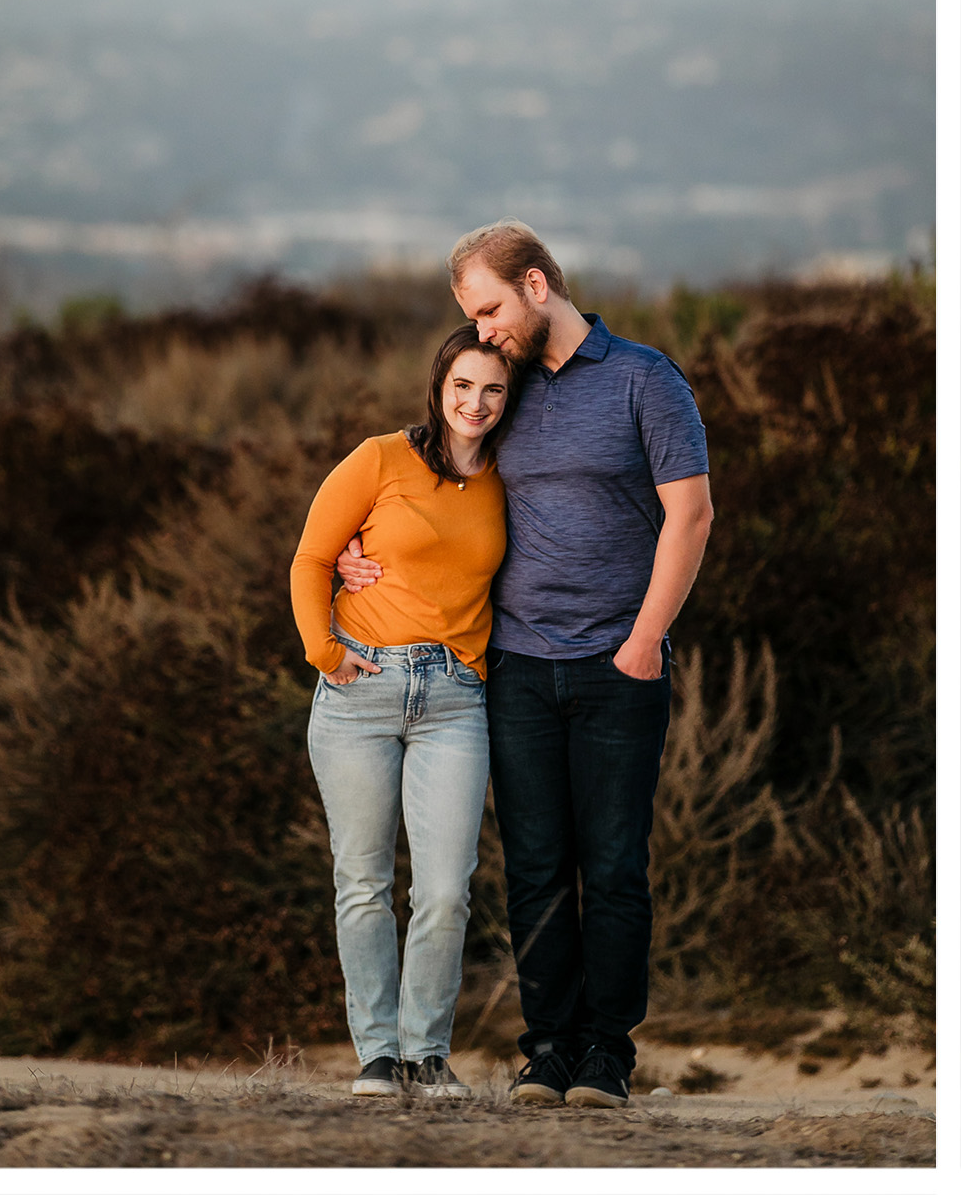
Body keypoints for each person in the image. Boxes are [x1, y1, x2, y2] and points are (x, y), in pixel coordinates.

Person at [338, 220, 713, 1110]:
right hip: (512, 665)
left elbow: (691, 516)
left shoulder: (644, 380)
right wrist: (355, 549)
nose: (484, 329)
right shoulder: (499, 387)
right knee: (537, 864)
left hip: (621, 662)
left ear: (537, 284)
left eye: (491, 308)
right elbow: (428, 464)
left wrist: (646, 637)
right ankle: (546, 1054)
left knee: (616, 863)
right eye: (473, 316)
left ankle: (606, 1058)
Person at [291, 323, 516, 1100]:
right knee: (361, 880)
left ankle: (428, 1050)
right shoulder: (380, 458)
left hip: (456, 698)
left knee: (447, 886)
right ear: (439, 385)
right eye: (463, 386)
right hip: (361, 691)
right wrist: (324, 652)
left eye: (493, 388)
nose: (476, 403)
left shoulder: (511, 478)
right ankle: (378, 1055)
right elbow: (313, 559)